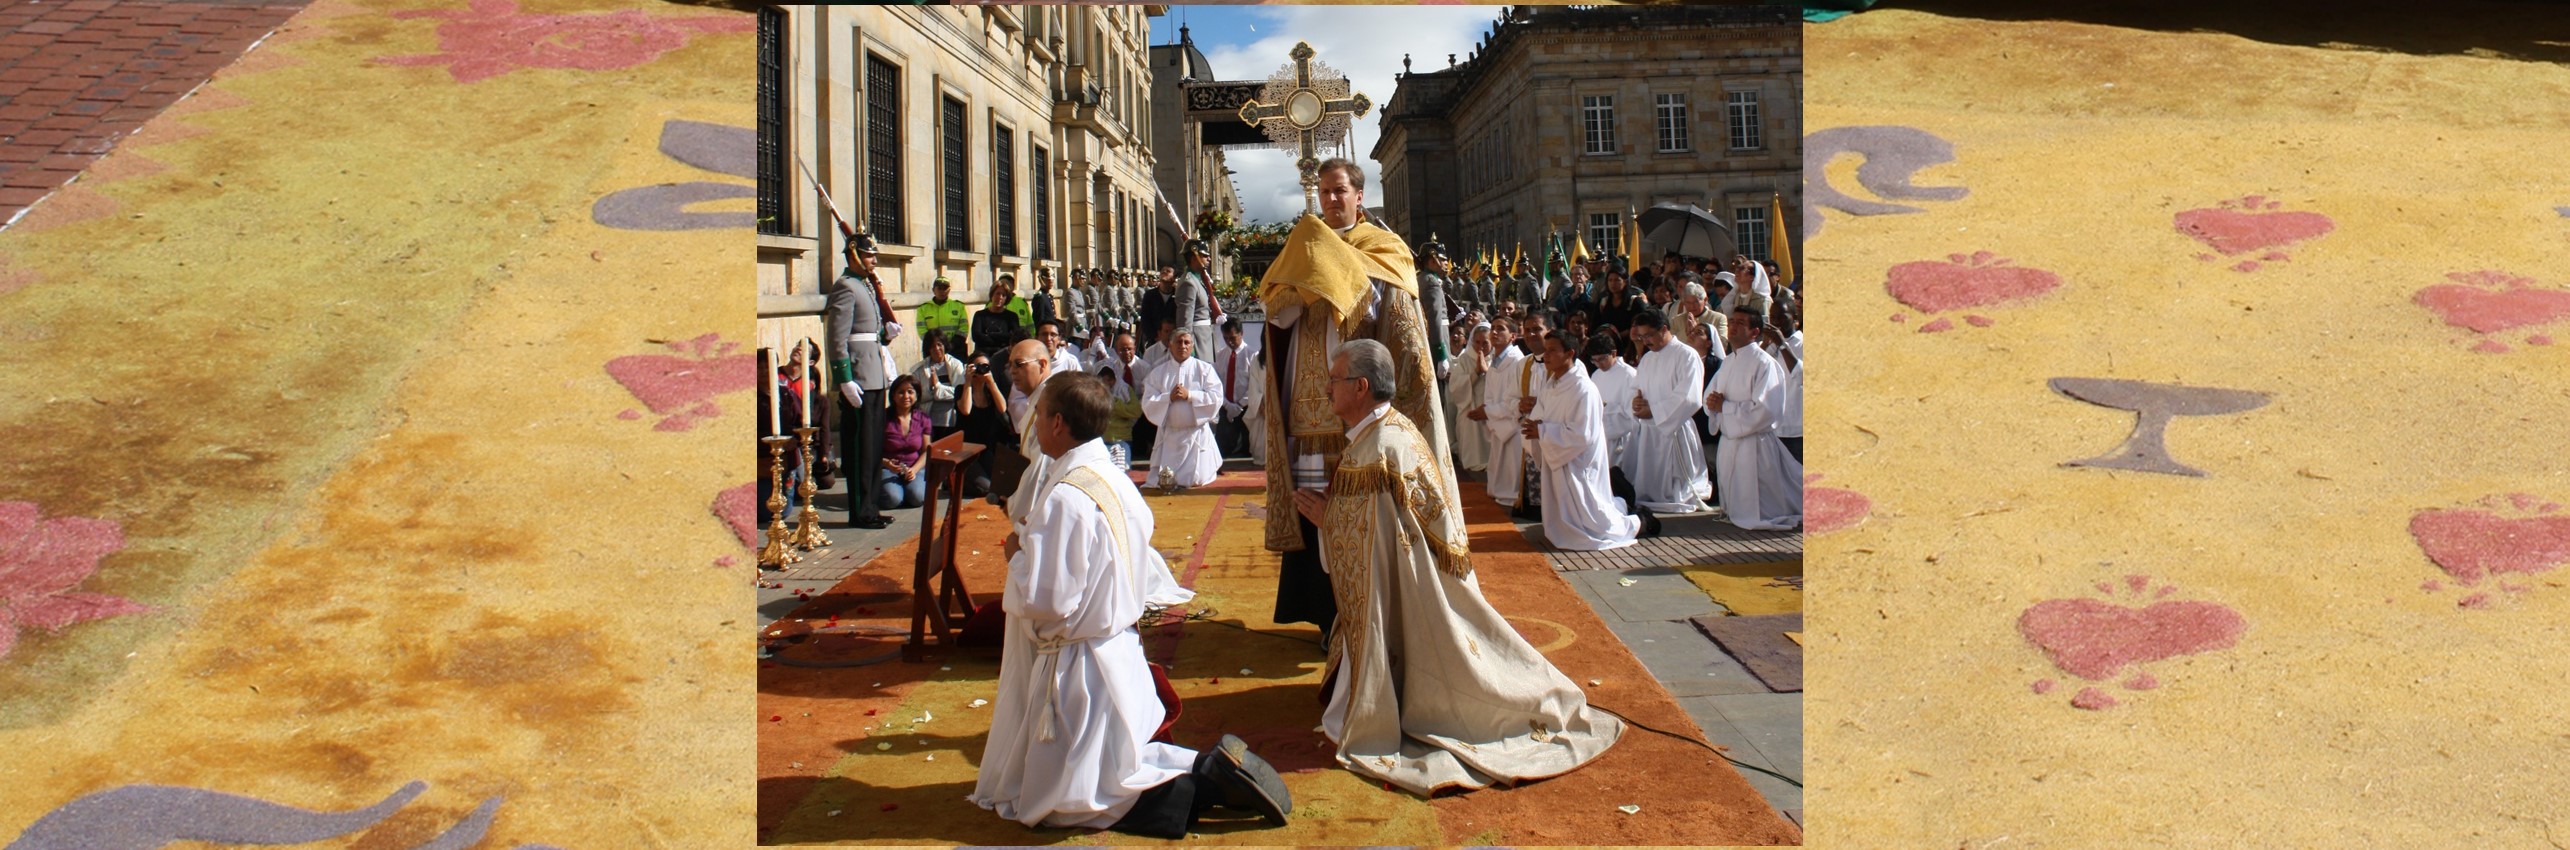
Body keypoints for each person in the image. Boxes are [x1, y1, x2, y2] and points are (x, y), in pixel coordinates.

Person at [1291, 338, 1623, 794]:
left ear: (1361, 386)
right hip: (1413, 579)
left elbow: (1368, 538)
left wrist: (1328, 520)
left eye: (1334, 379)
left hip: (1408, 587)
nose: (1327, 389)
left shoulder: (1377, 449)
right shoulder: (1390, 432)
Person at [973, 372, 1292, 839]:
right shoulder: (1111, 477)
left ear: (1058, 423)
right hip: (1116, 652)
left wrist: (1017, 558)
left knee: (1067, 803)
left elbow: (1051, 599)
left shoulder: (1065, 497)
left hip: (1078, 668)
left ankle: (1205, 784)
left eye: (1039, 415)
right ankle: (1205, 770)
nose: (1034, 424)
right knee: (1112, 767)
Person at [1260, 157, 1453, 641]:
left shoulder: (1383, 247)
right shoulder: (1302, 245)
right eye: (1324, 191)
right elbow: (1276, 313)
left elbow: (1397, 323)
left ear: (1359, 195)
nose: (1330, 199)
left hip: (1361, 406)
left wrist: (1341, 277)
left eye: (1340, 190)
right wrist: (1303, 284)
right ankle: (1325, 615)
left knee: (1362, 510)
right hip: (1309, 406)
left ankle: (1369, 614)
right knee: (1313, 507)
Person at [1522, 331, 1648, 551]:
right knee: (1568, 511)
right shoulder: (1551, 386)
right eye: (1546, 350)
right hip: (1558, 455)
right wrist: (1535, 427)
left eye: (1552, 350)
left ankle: (1639, 523)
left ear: (1569, 353)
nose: (1546, 355)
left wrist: (1542, 430)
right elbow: (1540, 414)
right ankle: (1567, 529)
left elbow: (1582, 434)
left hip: (1579, 461)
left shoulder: (1584, 389)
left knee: (1592, 516)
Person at [824, 230, 900, 530]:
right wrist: (844, 379)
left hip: (874, 375)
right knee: (860, 450)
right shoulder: (845, 287)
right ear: (854, 254)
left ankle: (871, 506)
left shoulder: (864, 285)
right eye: (869, 255)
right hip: (858, 378)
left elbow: (869, 332)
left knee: (873, 447)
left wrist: (886, 334)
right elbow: (837, 337)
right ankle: (860, 511)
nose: (874, 261)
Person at [1707, 307, 1802, 530]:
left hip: (1755, 442)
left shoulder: (1764, 363)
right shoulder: (1728, 361)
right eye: (1732, 321)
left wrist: (1725, 407)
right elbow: (1711, 395)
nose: (1733, 326)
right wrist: (1711, 402)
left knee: (1761, 505)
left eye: (1741, 323)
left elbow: (1765, 409)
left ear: (1755, 331)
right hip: (1730, 439)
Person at [1622, 311, 1710, 514]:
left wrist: (1654, 411)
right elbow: (1636, 388)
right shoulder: (1647, 359)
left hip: (1674, 428)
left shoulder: (1686, 355)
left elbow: (1690, 396)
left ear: (1663, 329)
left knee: (1674, 486)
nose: (1645, 341)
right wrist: (1636, 403)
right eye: (1641, 337)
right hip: (1649, 430)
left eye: (1649, 335)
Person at [1142, 331, 1224, 492]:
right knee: (1163, 479)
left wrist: (1191, 395)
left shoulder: (1204, 369)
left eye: (1187, 342)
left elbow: (1216, 397)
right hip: (1169, 437)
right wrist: (1168, 397)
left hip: (1195, 436)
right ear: (1170, 345)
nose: (1183, 346)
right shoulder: (1158, 372)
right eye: (1179, 342)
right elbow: (1148, 402)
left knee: (1196, 479)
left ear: (1192, 346)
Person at [1470, 318, 1532, 507]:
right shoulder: (1495, 361)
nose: (1494, 332)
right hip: (1498, 421)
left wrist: (1488, 412)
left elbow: (1514, 399)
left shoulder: (1516, 361)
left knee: (1511, 468)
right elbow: (1490, 394)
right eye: (1493, 328)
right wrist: (1488, 410)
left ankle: (1513, 496)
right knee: (1499, 466)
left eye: (1501, 329)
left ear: (1513, 336)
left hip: (1512, 423)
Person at [955, 345, 1012, 498]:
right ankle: (956, 479)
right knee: (986, 488)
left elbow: (1002, 408)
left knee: (1002, 484)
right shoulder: (961, 390)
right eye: (978, 366)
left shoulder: (990, 391)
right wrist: (968, 382)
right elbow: (966, 410)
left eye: (985, 366)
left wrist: (991, 382)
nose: (981, 370)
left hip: (985, 450)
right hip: (966, 450)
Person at [1584, 334, 1640, 466]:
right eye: (1594, 360)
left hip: (1623, 441)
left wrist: (1607, 408)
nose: (1599, 364)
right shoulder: (1596, 375)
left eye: (1602, 359)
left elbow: (1633, 415)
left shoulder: (1629, 375)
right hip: (1601, 438)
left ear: (1613, 353)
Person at [1444, 322, 1491, 475]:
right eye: (1477, 342)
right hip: (1469, 409)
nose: (1481, 347)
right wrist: (1475, 373)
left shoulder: (1497, 359)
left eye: (1485, 343)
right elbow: (1455, 386)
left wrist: (1486, 372)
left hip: (1489, 411)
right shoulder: (1465, 359)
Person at [879, 375, 932, 510]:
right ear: (893, 395)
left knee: (917, 497)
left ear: (917, 395)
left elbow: (926, 451)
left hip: (914, 468)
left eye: (910, 392)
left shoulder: (923, 419)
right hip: (887, 469)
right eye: (901, 392)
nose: (906, 396)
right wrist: (887, 463)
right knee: (893, 499)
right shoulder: (882, 418)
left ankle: (906, 491)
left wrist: (914, 470)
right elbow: (872, 451)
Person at [911, 332, 967, 440]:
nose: (936, 349)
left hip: (951, 421)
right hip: (929, 421)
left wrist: (938, 387)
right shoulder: (919, 370)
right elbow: (917, 396)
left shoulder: (956, 365)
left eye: (939, 345)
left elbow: (960, 393)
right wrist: (931, 388)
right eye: (932, 346)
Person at [1212, 318, 1253, 458]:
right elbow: (1216, 382)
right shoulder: (1220, 355)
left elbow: (1254, 384)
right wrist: (1226, 404)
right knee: (1223, 447)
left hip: (1245, 406)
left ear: (1241, 333)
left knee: (1247, 446)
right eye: (1226, 338)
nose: (1229, 342)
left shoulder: (1252, 355)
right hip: (1225, 405)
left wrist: (1240, 404)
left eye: (1233, 338)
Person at [1174, 240, 1217, 362]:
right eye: (1205, 256)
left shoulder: (1197, 279)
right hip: (1197, 340)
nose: (1209, 259)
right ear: (1194, 258)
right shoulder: (1188, 283)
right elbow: (1185, 318)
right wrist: (1187, 345)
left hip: (1204, 336)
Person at [916, 276, 970, 358]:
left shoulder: (959, 306)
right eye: (939, 288)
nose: (942, 291)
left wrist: (951, 344)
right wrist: (933, 344)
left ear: (949, 290)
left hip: (955, 348)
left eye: (945, 289)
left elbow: (964, 328)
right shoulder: (923, 308)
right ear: (933, 290)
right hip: (933, 349)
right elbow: (921, 330)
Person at [972, 284, 1024, 362]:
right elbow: (976, 336)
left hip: (1004, 358)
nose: (1000, 297)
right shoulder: (980, 315)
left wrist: (991, 335)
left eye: (1003, 295)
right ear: (992, 295)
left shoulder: (1012, 317)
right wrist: (1002, 339)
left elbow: (1014, 337)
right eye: (997, 294)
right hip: (983, 357)